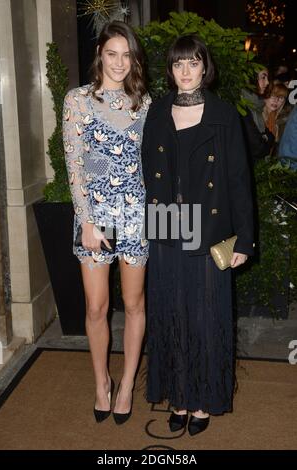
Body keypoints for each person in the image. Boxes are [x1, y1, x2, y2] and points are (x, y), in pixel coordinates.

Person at [142, 35, 254, 436]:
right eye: (178, 64)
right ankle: (180, 396)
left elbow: (241, 180)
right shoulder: (156, 112)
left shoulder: (224, 115)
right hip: (168, 225)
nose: (186, 71)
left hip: (208, 228)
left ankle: (204, 400)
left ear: (205, 67)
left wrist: (244, 238)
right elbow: (145, 174)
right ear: (170, 71)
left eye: (193, 63)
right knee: (172, 316)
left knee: (205, 319)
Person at [63, 21, 151, 425]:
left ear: (133, 58)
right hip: (95, 219)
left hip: (135, 216)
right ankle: (102, 383)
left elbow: (149, 166)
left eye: (126, 54)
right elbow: (76, 164)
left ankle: (129, 383)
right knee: (96, 307)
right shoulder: (78, 100)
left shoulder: (145, 102)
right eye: (112, 53)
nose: (119, 62)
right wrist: (86, 220)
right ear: (100, 53)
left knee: (134, 305)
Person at [241, 67, 275, 161]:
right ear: (252, 79)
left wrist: (267, 138)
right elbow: (258, 148)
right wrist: (267, 139)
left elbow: (270, 136)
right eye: (263, 77)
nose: (267, 82)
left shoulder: (256, 104)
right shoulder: (242, 105)